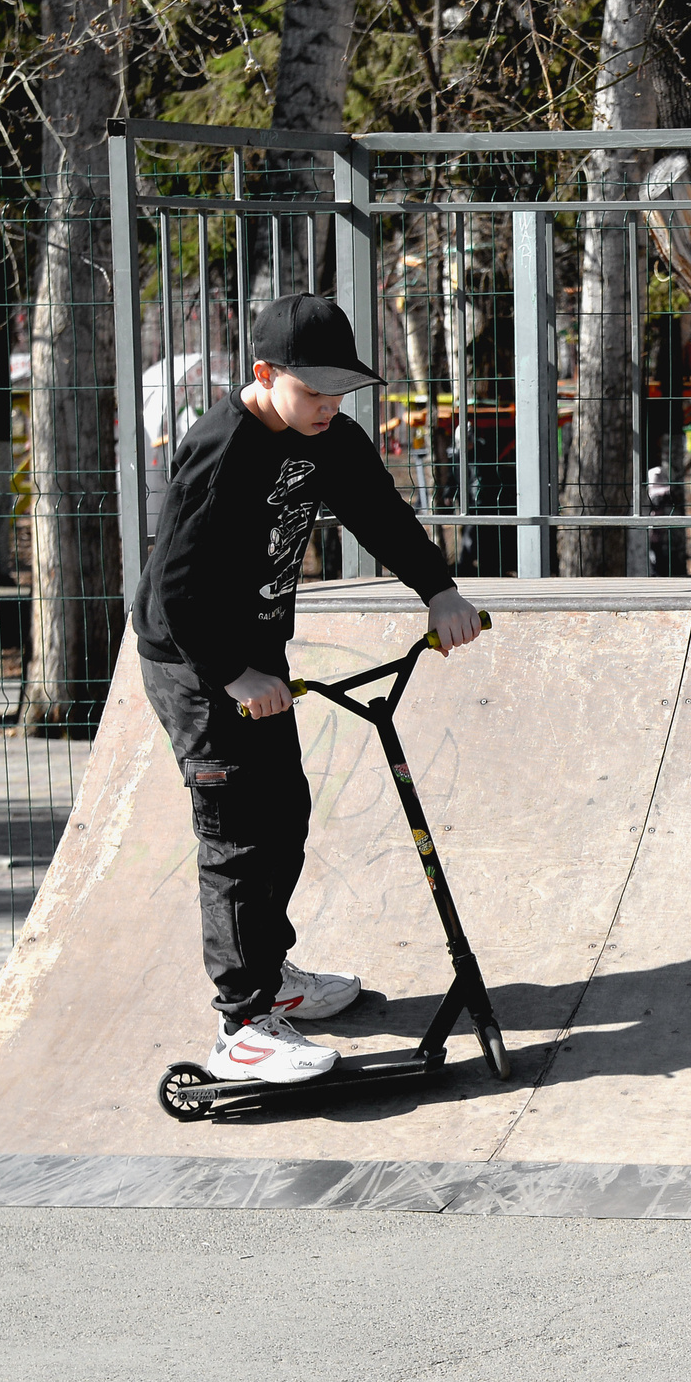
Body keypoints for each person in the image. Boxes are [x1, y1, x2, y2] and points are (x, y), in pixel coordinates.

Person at [133, 293, 484, 1086]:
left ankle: (271, 974)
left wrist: (438, 590)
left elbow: (381, 514)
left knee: (284, 813)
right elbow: (176, 587)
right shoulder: (220, 449)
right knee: (236, 834)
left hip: (257, 656)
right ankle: (241, 1024)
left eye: (340, 394)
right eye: (314, 393)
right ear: (265, 375)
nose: (329, 408)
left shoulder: (329, 439)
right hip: (195, 662)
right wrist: (232, 673)